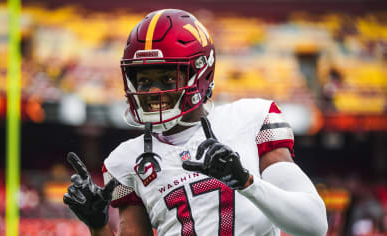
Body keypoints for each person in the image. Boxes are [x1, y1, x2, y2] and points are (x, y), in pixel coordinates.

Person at [63, 9, 328, 236]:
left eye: (167, 79)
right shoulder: (126, 160)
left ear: (200, 73)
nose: (153, 92)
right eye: (144, 80)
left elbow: (314, 225)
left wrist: (246, 182)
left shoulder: (251, 119)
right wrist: (98, 226)